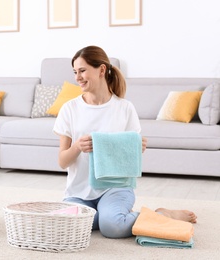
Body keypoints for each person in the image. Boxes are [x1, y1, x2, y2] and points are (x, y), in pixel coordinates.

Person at [53, 45, 197, 238]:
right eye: (75, 72)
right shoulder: (69, 109)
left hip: (115, 187)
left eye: (82, 70)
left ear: (102, 70)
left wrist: (137, 148)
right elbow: (62, 161)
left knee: (112, 226)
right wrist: (78, 146)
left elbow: (131, 154)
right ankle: (102, 216)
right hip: (78, 193)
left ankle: (163, 214)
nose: (77, 77)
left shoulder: (124, 108)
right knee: (69, 225)